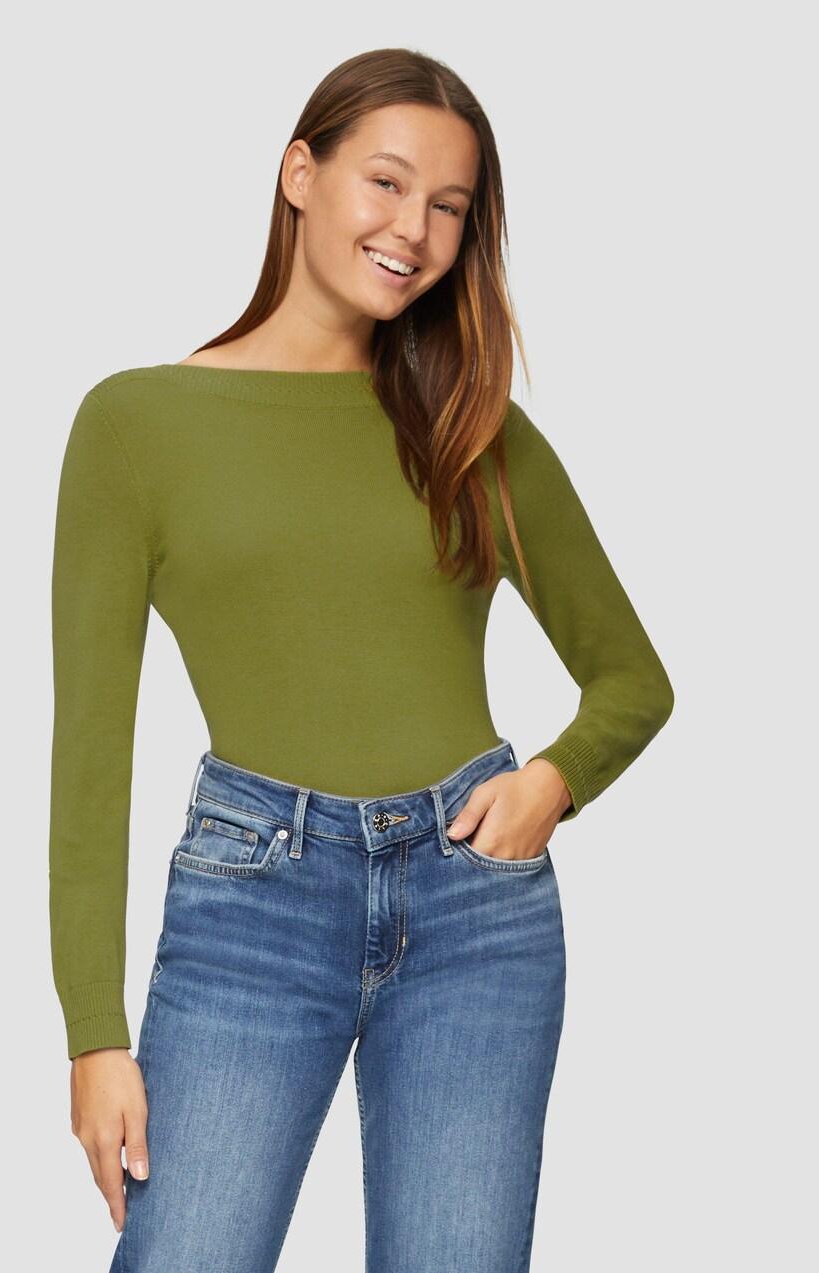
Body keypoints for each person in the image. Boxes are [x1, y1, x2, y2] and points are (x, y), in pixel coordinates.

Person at [49, 47, 674, 1273]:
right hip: (252, 904)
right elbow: (90, 754)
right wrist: (93, 1033)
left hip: (473, 910)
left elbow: (632, 679)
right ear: (300, 172)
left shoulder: (471, 429)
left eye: (449, 206)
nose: (414, 231)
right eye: (385, 183)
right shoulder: (135, 425)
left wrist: (548, 786)